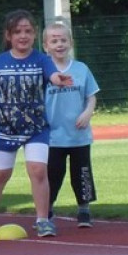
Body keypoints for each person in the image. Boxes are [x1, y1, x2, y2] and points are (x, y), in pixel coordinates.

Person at [0, 10, 72, 241]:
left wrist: (59, 80)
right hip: (6, 128)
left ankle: (43, 220)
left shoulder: (42, 59)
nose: (23, 36)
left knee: (37, 170)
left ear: (35, 34)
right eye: (17, 32)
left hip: (36, 128)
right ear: (8, 35)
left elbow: (53, 74)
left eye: (27, 31)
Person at [43, 21, 99, 228]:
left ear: (71, 43)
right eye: (54, 40)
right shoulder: (44, 71)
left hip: (78, 134)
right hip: (52, 136)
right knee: (52, 175)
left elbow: (91, 95)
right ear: (45, 45)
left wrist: (87, 113)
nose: (59, 44)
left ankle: (84, 210)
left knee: (82, 173)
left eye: (63, 40)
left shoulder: (81, 69)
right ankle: (46, 210)